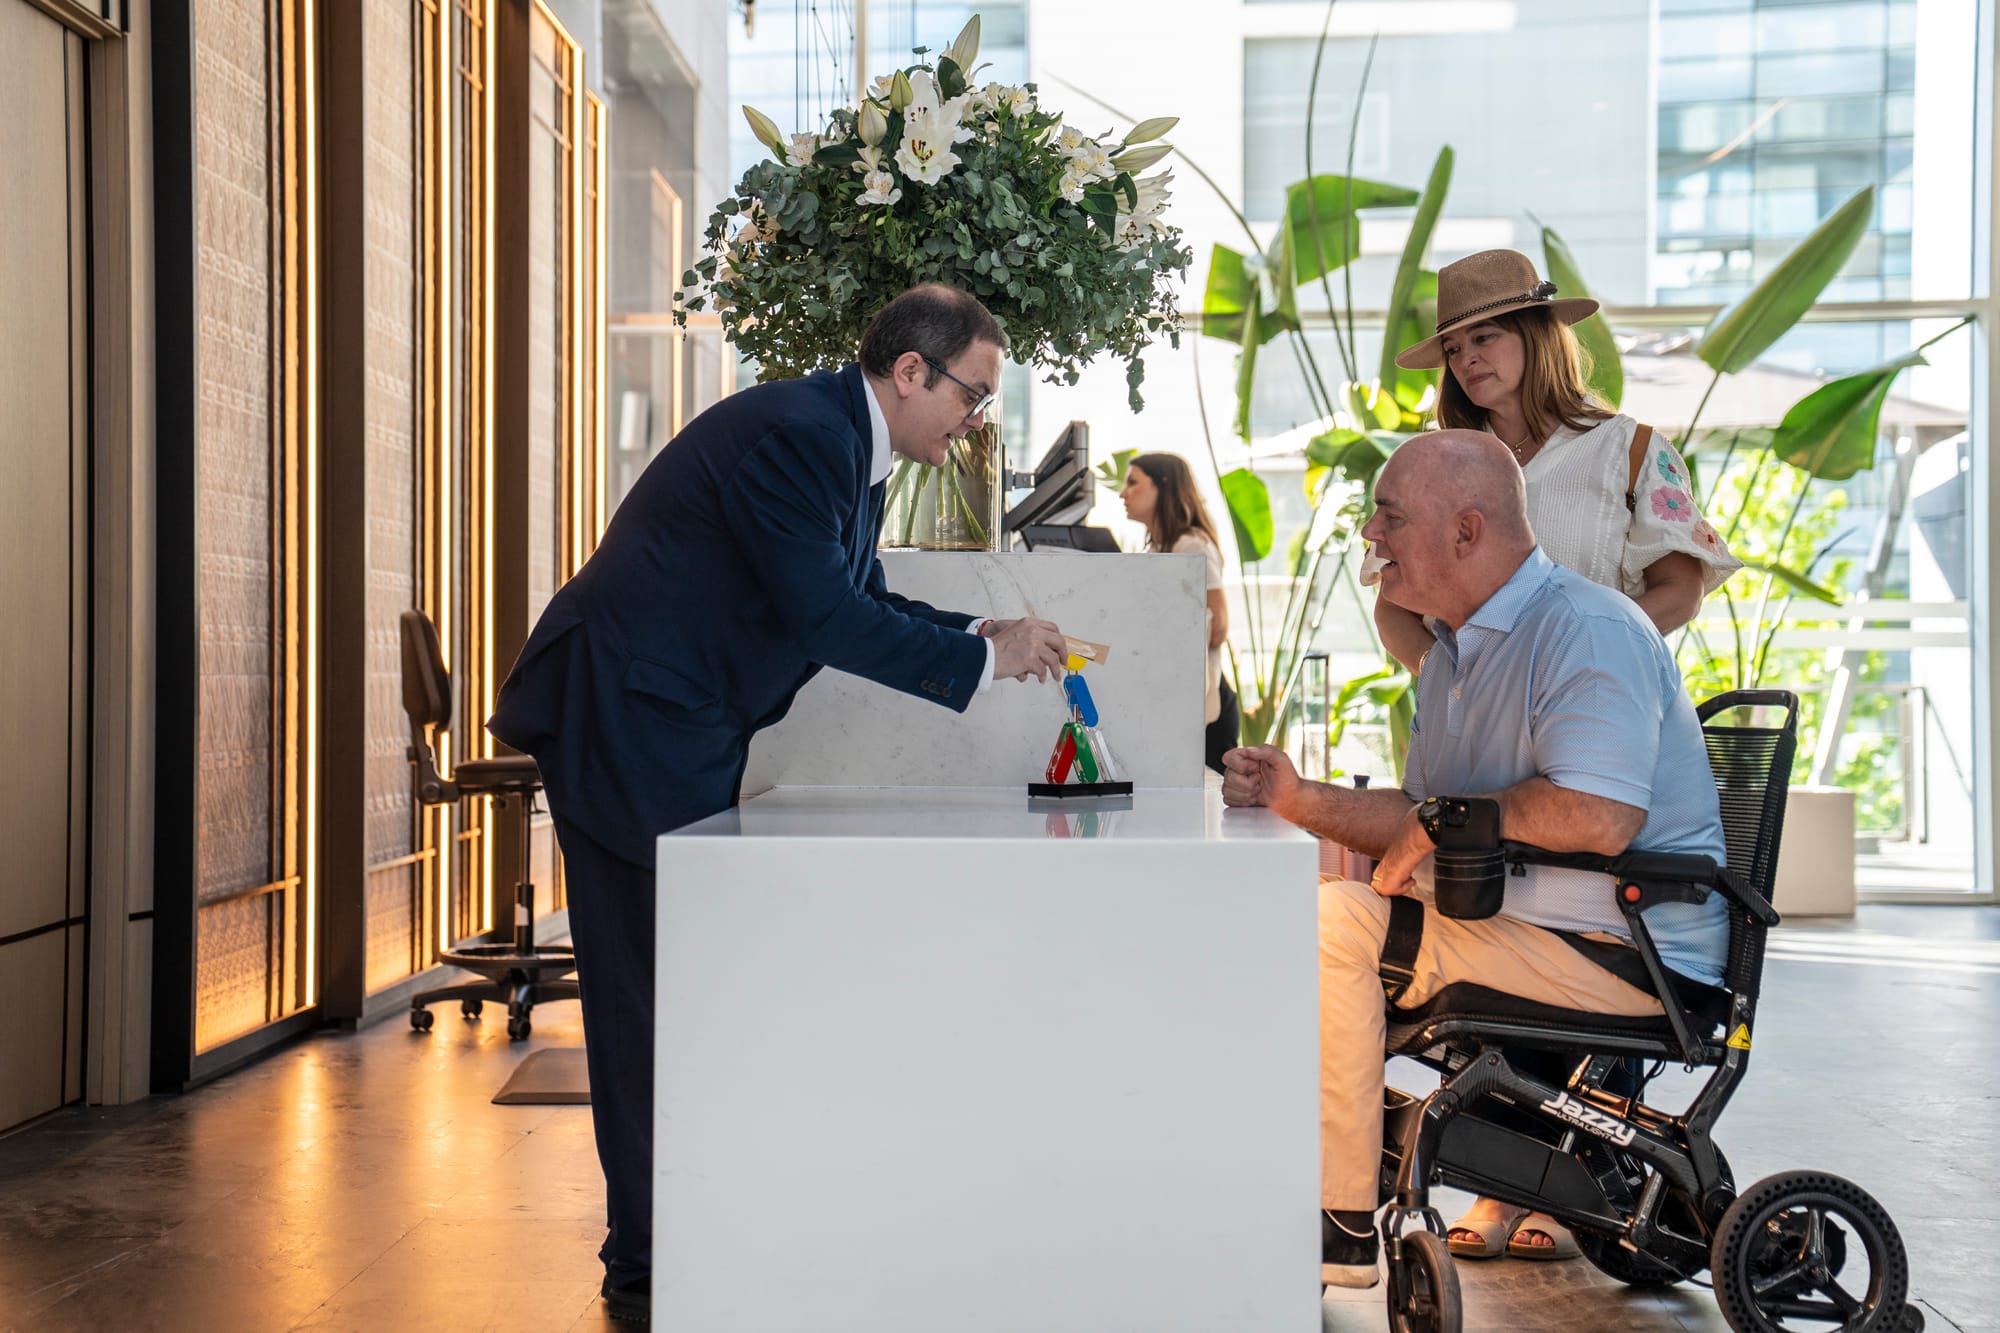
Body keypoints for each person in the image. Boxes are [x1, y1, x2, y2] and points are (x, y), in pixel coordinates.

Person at [487, 284, 1069, 1322]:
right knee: (642, 998)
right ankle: (647, 1266)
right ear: (910, 373)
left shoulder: (841, 438)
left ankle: (678, 1236)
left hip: (672, 725)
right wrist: (973, 666)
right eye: (973, 396)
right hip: (626, 718)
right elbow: (824, 616)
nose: (975, 420)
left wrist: (974, 640)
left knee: (678, 988)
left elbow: (855, 595)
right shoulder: (806, 435)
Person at [1220, 431, 1729, 1293]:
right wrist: (1297, 796)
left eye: (1390, 517)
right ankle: (1305, 1178)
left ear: (1466, 530)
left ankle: (1340, 1218)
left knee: (1335, 927)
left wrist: (1432, 822)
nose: (1372, 538)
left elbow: (1599, 813)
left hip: (1629, 951)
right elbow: (1424, 818)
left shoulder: (1586, 627)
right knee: (1319, 907)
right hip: (1541, 926)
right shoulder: (1455, 650)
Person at [1379, 249, 1741, 1260]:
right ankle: (1506, 1183)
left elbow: (1680, 579)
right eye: (1452, 344)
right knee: (1481, 898)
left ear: (1538, 336)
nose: (1467, 356)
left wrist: (1594, 646)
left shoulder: (1625, 451)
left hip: (1596, 727)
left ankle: (1555, 1184)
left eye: (1484, 334)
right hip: (1487, 737)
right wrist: (1454, 667)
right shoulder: (1442, 459)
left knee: (1578, 899)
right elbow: (1396, 606)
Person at [1119, 452, 1236, 771]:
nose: (1122, 493)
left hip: (1204, 701)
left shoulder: (1191, 546)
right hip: (1174, 699)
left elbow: (1220, 625)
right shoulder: (1155, 550)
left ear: (1164, 487)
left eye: (1133, 483)